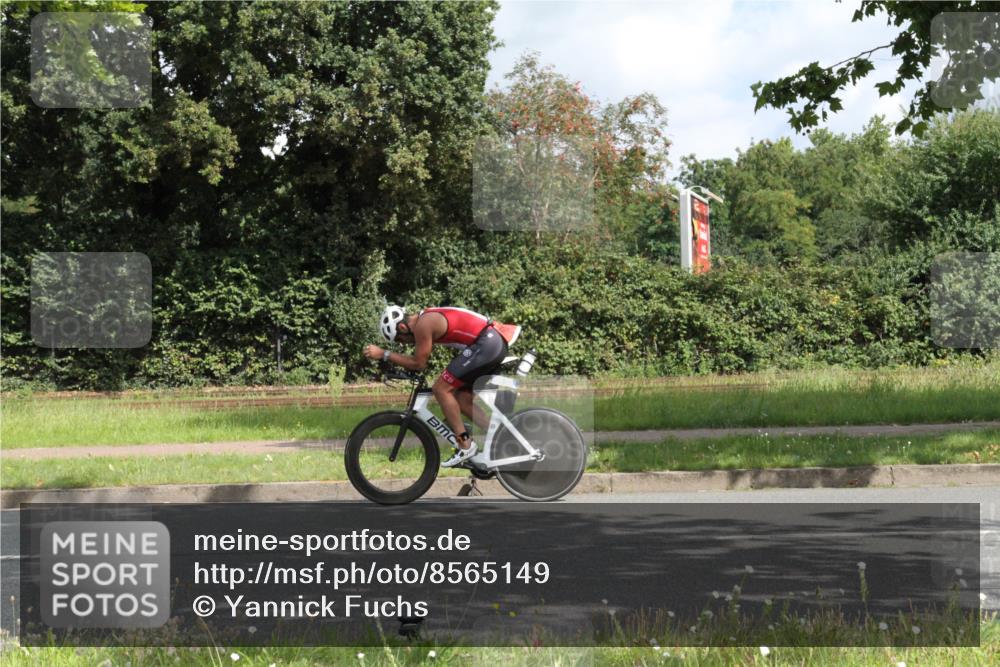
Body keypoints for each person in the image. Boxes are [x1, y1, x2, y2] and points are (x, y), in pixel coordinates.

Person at [363, 305, 521, 467]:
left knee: (441, 389)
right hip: (490, 342)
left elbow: (419, 363)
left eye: (400, 340)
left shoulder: (423, 325)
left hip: (487, 344)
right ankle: (501, 437)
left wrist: (384, 354)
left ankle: (465, 444)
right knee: (461, 399)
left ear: (402, 327)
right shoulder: (424, 319)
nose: (405, 344)